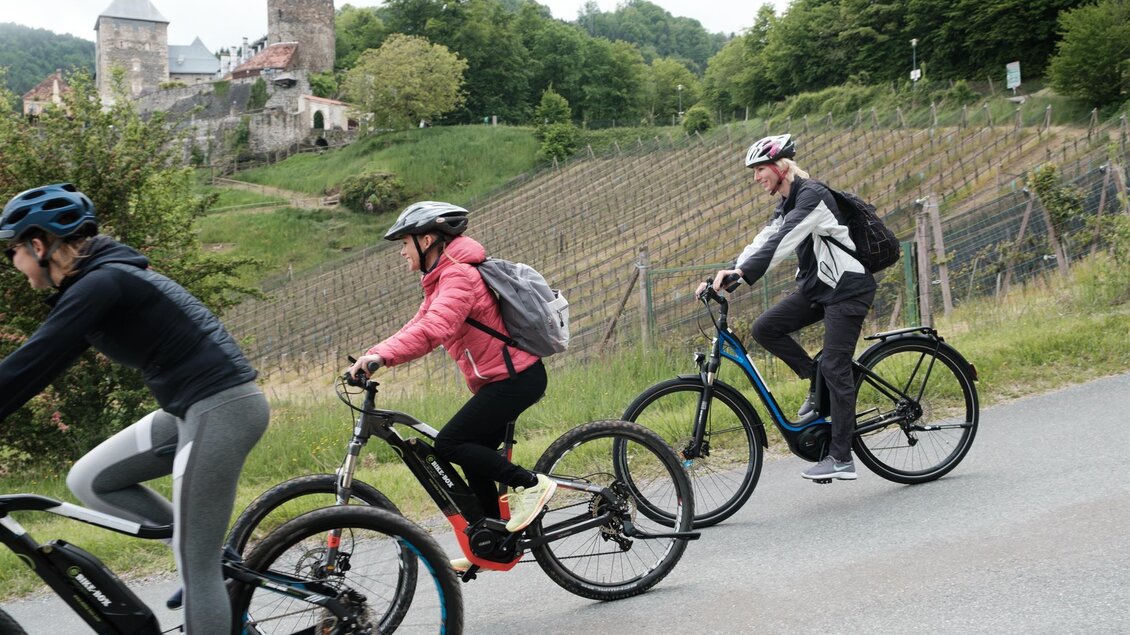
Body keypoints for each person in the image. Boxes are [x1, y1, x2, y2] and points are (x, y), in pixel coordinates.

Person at [0, 183, 269, 633]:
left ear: (39, 244)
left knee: (194, 561)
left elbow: (32, 361)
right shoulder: (94, 285)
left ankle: (204, 567)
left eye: (13, 250)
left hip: (223, 407)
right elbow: (38, 367)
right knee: (91, 480)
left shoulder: (103, 283)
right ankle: (213, 561)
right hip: (188, 408)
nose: (12, 262)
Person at [347, 201, 555, 568]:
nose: (401, 251)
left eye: (404, 243)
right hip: (502, 380)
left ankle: (531, 484)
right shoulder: (443, 277)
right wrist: (374, 353)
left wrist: (384, 359)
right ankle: (493, 540)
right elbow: (418, 323)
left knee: (450, 443)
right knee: (471, 451)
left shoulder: (459, 276)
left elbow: (434, 330)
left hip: (516, 379)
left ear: (427, 239)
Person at [697, 134, 877, 482]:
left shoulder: (813, 196)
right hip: (818, 288)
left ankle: (841, 457)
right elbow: (764, 239)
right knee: (765, 328)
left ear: (781, 167)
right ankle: (816, 380)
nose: (755, 177)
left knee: (837, 366)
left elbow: (783, 241)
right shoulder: (788, 202)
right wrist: (724, 272)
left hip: (846, 290)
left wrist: (742, 274)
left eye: (760, 169)